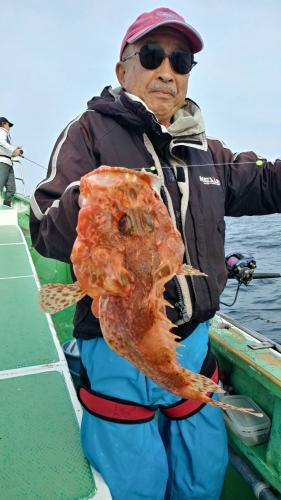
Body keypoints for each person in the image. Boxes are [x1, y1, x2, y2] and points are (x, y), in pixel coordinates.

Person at [29, 7, 281, 500]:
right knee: (131, 482)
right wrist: (91, 204)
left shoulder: (208, 153)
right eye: (151, 55)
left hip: (192, 346)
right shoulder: (88, 132)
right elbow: (44, 228)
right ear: (123, 69)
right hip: (113, 346)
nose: (167, 69)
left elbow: (268, 183)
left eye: (181, 60)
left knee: (201, 476)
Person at [0, 117, 22, 206]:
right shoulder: (2, 131)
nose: (9, 127)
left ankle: (6, 207)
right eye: (9, 125)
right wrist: (13, 149)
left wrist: (14, 153)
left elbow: (4, 149)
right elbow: (1, 141)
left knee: (11, 189)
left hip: (8, 162)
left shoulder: (5, 134)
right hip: (2, 162)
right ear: (3, 124)